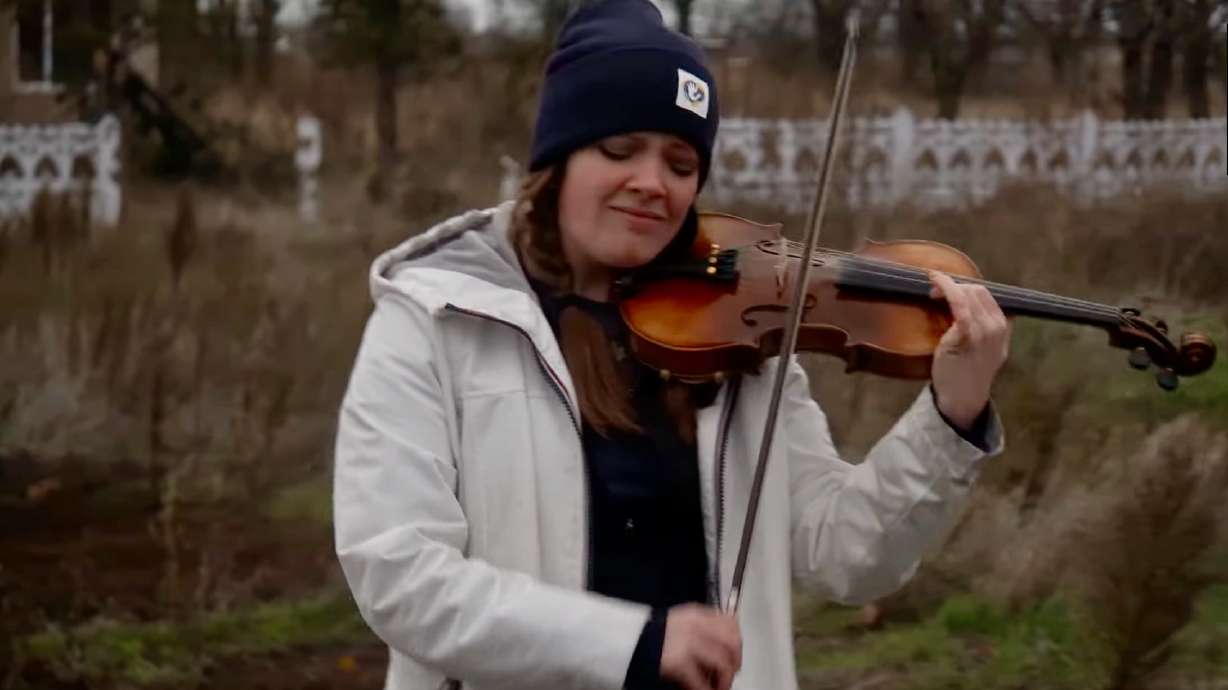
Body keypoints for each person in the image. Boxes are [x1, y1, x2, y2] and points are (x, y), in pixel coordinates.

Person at [332, 1, 1008, 689]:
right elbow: (400, 577)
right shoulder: (436, 318)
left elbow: (847, 554)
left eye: (681, 163)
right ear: (558, 158)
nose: (652, 184)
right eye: (619, 150)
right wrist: (634, 644)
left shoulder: (734, 331)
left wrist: (950, 418)